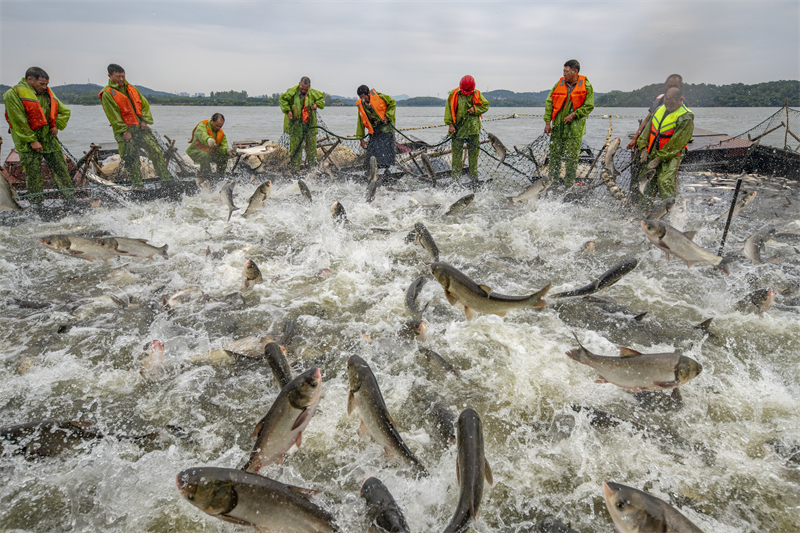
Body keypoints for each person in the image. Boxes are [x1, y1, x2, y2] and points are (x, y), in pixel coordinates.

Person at [3, 67, 74, 202]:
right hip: (26, 141)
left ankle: (70, 200)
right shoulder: (12, 94)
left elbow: (64, 111)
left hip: (48, 137)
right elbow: (18, 121)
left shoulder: (47, 92)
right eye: (41, 84)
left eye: (46, 84)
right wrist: (32, 140)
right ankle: (37, 205)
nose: (44, 87)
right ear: (29, 80)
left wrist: (56, 125)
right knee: (33, 173)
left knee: (61, 169)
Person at [99, 64, 170, 187]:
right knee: (132, 160)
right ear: (110, 76)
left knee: (156, 151)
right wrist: (124, 131)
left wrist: (144, 120)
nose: (121, 79)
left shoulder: (132, 89)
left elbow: (144, 104)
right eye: (118, 77)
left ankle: (166, 181)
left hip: (140, 128)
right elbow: (113, 115)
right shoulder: (107, 93)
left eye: (123, 76)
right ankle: (138, 186)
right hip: (126, 131)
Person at [544, 60, 595, 187]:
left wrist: (574, 115)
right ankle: (553, 185)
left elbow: (589, 106)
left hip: (574, 130)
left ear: (575, 72)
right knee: (554, 157)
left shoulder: (586, 85)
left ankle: (568, 185)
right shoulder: (559, 83)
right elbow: (549, 102)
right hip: (558, 128)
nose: (564, 74)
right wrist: (547, 123)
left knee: (572, 159)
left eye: (567, 71)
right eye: (564, 71)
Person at [636, 87, 694, 199]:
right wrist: (643, 147)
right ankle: (643, 210)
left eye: (672, 104)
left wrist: (659, 159)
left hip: (672, 154)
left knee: (664, 181)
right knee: (645, 179)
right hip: (652, 150)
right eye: (666, 103)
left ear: (680, 100)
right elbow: (647, 130)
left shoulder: (685, 116)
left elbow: (677, 143)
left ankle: (668, 212)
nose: (668, 107)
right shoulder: (659, 109)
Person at [444, 75, 489, 181]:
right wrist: (450, 125)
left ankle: (473, 177)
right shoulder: (453, 95)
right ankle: (456, 179)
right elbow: (448, 111)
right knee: (456, 156)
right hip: (458, 130)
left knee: (473, 155)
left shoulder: (477, 94)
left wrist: (476, 109)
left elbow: (485, 105)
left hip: (473, 130)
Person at [627, 74, 685, 150]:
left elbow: (680, 134)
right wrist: (635, 138)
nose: (672, 88)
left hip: (668, 150)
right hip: (653, 145)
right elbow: (647, 120)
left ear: (680, 87)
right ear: (665, 86)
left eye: (675, 86)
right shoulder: (659, 100)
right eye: (669, 85)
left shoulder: (681, 103)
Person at [279, 77, 325, 172]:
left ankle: (313, 170)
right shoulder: (292, 92)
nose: (304, 90)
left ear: (309, 86)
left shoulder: (313, 93)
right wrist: (288, 111)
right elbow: (282, 100)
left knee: (311, 148)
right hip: (295, 125)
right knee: (295, 149)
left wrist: (316, 104)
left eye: (306, 89)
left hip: (309, 125)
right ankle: (295, 171)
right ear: (299, 83)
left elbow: (322, 101)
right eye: (302, 88)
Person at [355, 85, 397, 168]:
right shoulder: (361, 105)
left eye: (364, 97)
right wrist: (361, 139)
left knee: (386, 155)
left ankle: (387, 171)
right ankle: (371, 173)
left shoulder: (380, 96)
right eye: (360, 98)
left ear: (368, 94)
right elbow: (360, 122)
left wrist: (387, 116)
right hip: (374, 131)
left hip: (386, 130)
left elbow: (393, 103)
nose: (363, 100)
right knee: (370, 154)